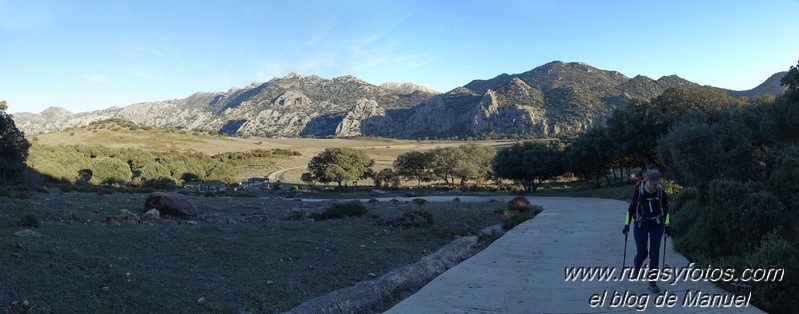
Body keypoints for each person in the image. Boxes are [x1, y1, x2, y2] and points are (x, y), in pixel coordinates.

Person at [622, 169, 671, 293]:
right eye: (651, 183)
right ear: (646, 180)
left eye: (656, 183)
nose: (653, 185)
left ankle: (652, 283)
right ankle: (637, 266)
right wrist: (626, 225)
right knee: (642, 254)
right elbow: (630, 209)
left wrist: (667, 225)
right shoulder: (639, 191)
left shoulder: (661, 192)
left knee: (654, 254)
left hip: (656, 226)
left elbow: (666, 210)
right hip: (640, 225)